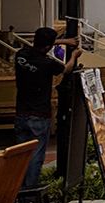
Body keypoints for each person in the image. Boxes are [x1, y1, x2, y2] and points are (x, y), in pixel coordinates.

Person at [14, 26, 77, 190]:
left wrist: (63, 41)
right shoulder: (48, 63)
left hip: (21, 112)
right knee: (36, 154)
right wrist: (75, 55)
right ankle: (30, 189)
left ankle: (18, 188)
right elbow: (66, 68)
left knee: (21, 153)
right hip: (39, 114)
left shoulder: (21, 56)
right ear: (49, 46)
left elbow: (40, 44)